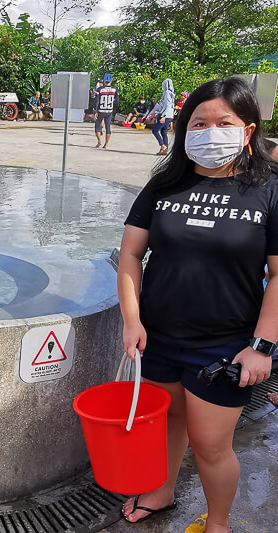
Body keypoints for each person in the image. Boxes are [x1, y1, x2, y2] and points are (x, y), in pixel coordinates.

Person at [118, 77, 278, 533]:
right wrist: (133, 319)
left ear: (247, 130)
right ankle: (162, 490)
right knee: (169, 423)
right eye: (199, 122)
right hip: (160, 339)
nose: (210, 132)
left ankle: (219, 523)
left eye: (223, 122)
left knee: (211, 445)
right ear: (185, 129)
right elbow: (130, 254)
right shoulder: (165, 184)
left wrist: (262, 346)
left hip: (225, 347)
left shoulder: (268, 190)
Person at [146, 78, 176, 155]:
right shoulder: (171, 93)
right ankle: (164, 150)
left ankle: (163, 146)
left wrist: (164, 116)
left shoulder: (167, 93)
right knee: (163, 132)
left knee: (155, 130)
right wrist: (155, 113)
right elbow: (162, 106)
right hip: (169, 115)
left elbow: (167, 106)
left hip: (165, 115)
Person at [94, 73, 119, 149]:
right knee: (108, 127)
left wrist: (95, 111)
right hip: (109, 111)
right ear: (111, 80)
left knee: (97, 127)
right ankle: (106, 144)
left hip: (101, 110)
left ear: (104, 80)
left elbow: (97, 101)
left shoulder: (100, 89)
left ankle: (99, 142)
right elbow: (117, 100)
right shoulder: (114, 89)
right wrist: (112, 102)